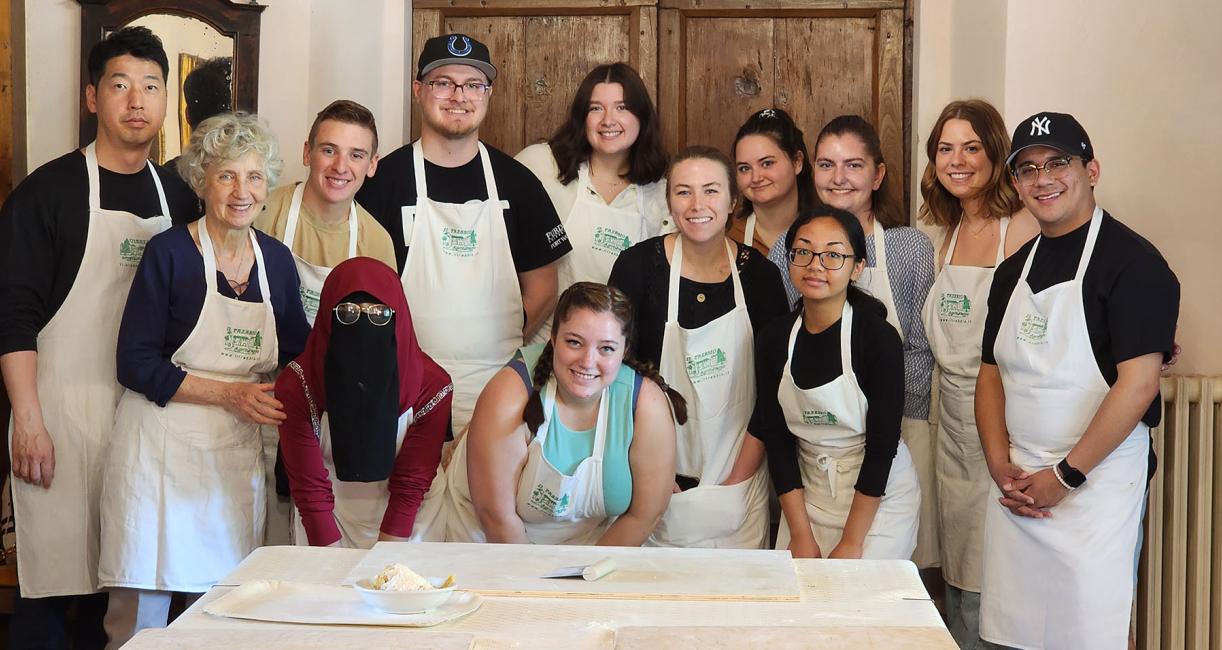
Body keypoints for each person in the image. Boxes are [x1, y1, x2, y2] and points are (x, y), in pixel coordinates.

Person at [0, 26, 199, 648]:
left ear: (166, 102)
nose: (136, 100)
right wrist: (27, 420)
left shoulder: (183, 198)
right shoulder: (48, 192)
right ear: (93, 98)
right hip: (62, 417)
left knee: (136, 585)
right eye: (120, 85)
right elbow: (13, 313)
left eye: (151, 86)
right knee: (57, 588)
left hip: (149, 426)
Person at [97, 112, 310, 646]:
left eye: (255, 177)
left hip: (234, 460)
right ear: (201, 182)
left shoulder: (278, 263)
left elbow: (299, 354)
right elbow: (135, 361)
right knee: (140, 617)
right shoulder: (169, 253)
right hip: (159, 453)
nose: (242, 191)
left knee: (228, 611)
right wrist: (228, 394)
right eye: (227, 176)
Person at [976, 112, 1178, 649]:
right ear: (1016, 184)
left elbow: (1138, 385)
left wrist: (1065, 477)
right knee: (1015, 636)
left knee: (1093, 632)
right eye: (1028, 169)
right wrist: (1000, 464)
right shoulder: (1010, 273)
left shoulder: (1134, 264)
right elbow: (991, 374)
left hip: (1095, 487)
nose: (1043, 178)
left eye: (1058, 162)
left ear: (1091, 169)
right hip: (1019, 487)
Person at [356, 33, 572, 439]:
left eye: (473, 84)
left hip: (497, 385)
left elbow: (544, 290)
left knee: (486, 498)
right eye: (443, 83)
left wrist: (483, 345)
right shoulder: (380, 180)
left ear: (488, 94)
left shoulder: (519, 183)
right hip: (401, 384)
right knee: (408, 499)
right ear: (419, 90)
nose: (459, 95)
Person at [608, 146, 788, 548]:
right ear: (669, 201)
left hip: (739, 479)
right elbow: (617, 377)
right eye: (683, 192)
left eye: (710, 191)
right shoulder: (637, 268)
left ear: (733, 201)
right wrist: (655, 472)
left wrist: (737, 479)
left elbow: (775, 391)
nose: (697, 205)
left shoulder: (761, 277)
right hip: (655, 478)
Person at [915, 99, 1039, 649]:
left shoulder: (1025, 226)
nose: (957, 160)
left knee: (1002, 565)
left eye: (972, 147)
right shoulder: (940, 233)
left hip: (1006, 416)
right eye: (946, 148)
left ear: (997, 154)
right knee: (958, 560)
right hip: (948, 419)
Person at [444, 282, 683, 545]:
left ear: (624, 351)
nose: (588, 361)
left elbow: (645, 515)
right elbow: (496, 518)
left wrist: (585, 576)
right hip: (486, 539)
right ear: (553, 337)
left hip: (592, 548)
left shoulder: (646, 405)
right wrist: (536, 584)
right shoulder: (509, 394)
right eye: (574, 342)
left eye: (606, 348)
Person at [752, 207, 920, 559]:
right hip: (807, 492)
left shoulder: (877, 339)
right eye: (804, 252)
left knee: (860, 603)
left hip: (878, 498)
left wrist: (853, 540)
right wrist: (799, 532)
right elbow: (778, 442)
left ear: (857, 266)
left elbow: (881, 446)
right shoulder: (774, 338)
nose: (816, 265)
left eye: (833, 255)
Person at [812, 115, 938, 570]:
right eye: (826, 165)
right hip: (824, 432)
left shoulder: (908, 248)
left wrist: (898, 415)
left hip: (903, 422)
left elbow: (923, 348)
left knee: (901, 566)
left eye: (853, 165)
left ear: (878, 174)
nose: (838, 178)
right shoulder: (796, 243)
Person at [277, 257, 452, 548]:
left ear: (398, 317)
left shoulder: (431, 385)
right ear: (327, 317)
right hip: (326, 517)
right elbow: (309, 486)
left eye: (380, 314)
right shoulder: (298, 383)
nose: (363, 325)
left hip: (410, 521)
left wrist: (386, 561)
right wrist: (334, 562)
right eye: (347, 312)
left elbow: (411, 481)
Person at [516, 62, 670, 344]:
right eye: (596, 108)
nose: (608, 120)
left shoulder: (663, 194)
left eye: (622, 107)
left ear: (642, 117)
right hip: (541, 348)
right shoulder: (541, 166)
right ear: (581, 117)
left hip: (616, 358)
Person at [257, 100, 397, 324]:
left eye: (356, 155)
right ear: (307, 153)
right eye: (329, 150)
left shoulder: (377, 243)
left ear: (372, 165)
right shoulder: (262, 213)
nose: (340, 167)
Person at [727, 107, 817, 306]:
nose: (756, 177)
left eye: (767, 163)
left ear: (797, 162)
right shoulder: (727, 236)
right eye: (744, 168)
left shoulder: (827, 232)